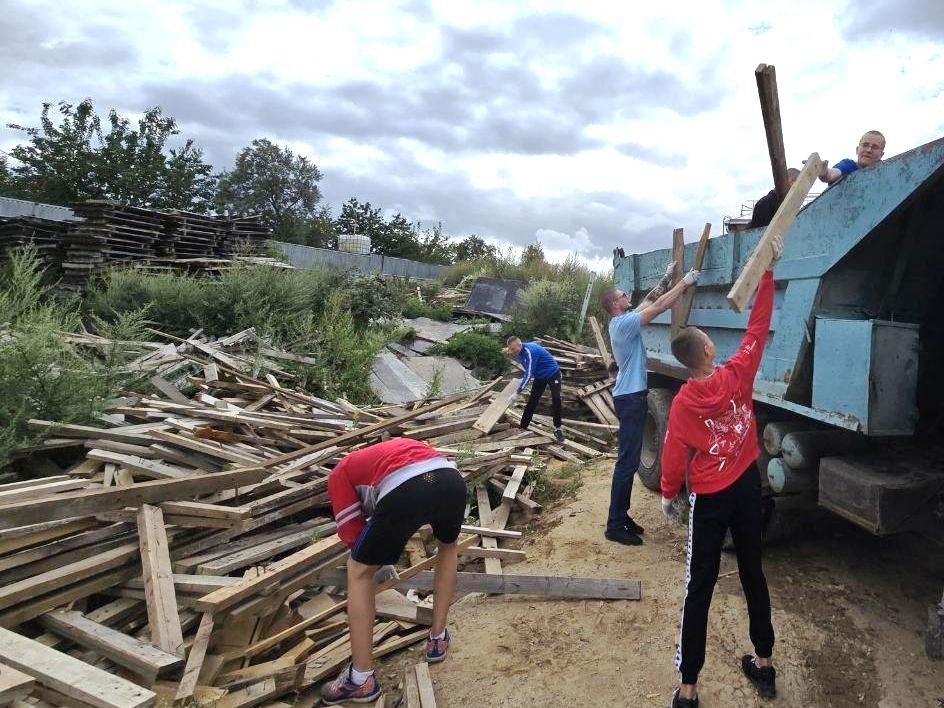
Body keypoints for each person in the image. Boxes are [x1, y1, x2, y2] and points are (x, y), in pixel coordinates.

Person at [660, 235, 784, 708]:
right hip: (747, 489)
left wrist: (669, 493)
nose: (715, 340)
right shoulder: (738, 375)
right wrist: (768, 273)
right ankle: (764, 664)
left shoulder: (684, 404)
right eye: (710, 339)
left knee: (701, 585)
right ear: (707, 353)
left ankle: (688, 689)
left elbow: (674, 456)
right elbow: (758, 326)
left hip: (710, 499)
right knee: (753, 570)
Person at [321, 438, 465, 705]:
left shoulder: (340, 472)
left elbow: (352, 536)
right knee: (448, 547)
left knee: (358, 571)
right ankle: (437, 639)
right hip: (449, 478)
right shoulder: (396, 449)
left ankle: (360, 678)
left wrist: (377, 562)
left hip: (407, 487)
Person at [598, 262, 699, 546]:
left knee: (627, 463)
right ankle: (614, 525)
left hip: (630, 397)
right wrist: (685, 283)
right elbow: (661, 307)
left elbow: (651, 299)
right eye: (621, 295)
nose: (626, 297)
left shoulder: (623, 320)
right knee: (626, 464)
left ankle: (622, 515)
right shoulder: (623, 324)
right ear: (614, 305)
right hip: (630, 399)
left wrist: (666, 278)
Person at [506, 336, 564, 442]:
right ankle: (523, 427)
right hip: (540, 377)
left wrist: (518, 392)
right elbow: (529, 369)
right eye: (510, 349)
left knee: (556, 399)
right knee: (532, 400)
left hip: (553, 373)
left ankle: (558, 428)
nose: (512, 351)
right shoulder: (519, 352)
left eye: (513, 349)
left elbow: (529, 373)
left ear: (520, 345)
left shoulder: (530, 351)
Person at [819, 130, 886, 184]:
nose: (869, 150)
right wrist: (825, 173)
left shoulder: (885, 173)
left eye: (875, 147)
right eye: (865, 145)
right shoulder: (848, 165)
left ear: (881, 154)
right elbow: (832, 174)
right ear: (857, 150)